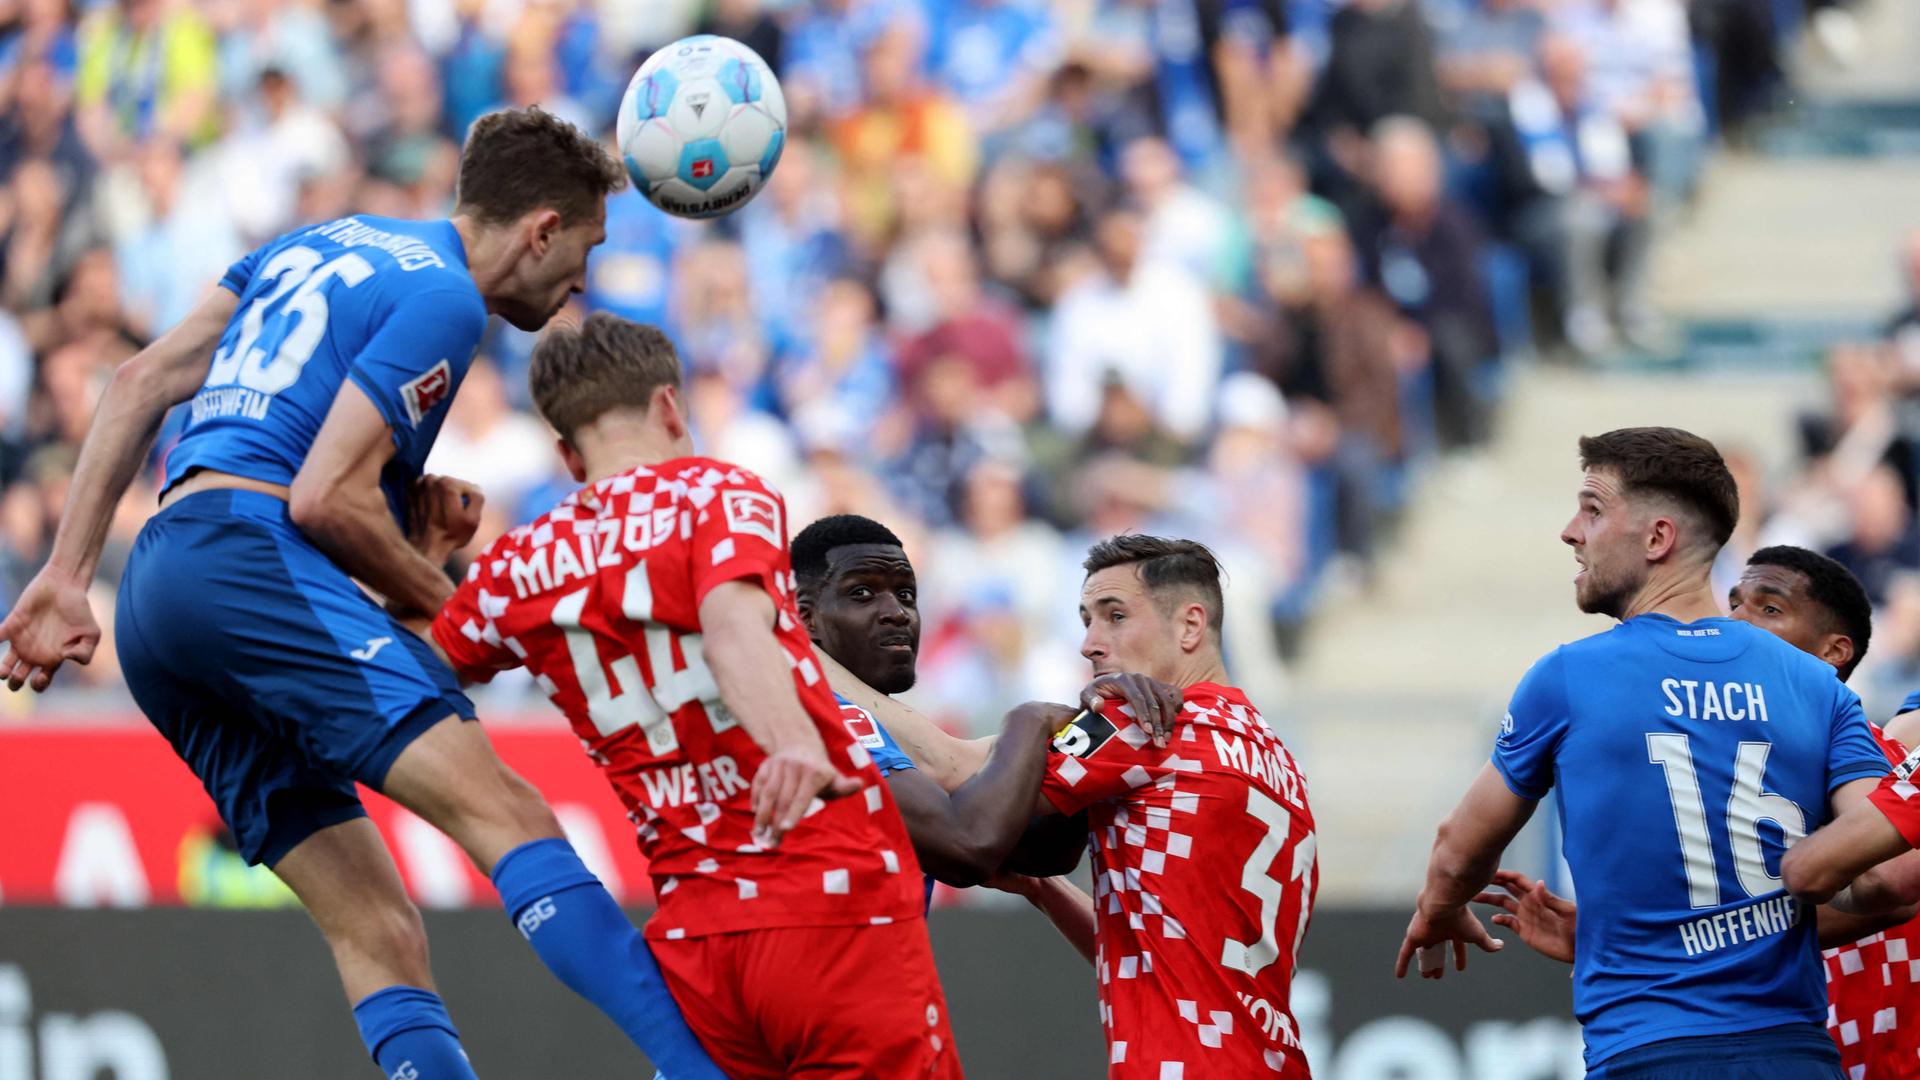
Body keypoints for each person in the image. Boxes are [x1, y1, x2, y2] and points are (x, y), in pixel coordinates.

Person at [0, 108, 720, 1080]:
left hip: (158, 592)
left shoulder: (313, 244)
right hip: (246, 563)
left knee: (378, 925)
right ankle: (702, 1071)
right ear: (542, 229)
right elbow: (322, 499)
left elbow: (136, 381)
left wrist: (63, 574)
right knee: (510, 813)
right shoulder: (447, 297)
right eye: (585, 250)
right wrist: (457, 604)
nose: (581, 282)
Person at [428, 314, 961, 1079]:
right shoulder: (719, 493)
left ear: (567, 454)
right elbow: (732, 625)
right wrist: (791, 742)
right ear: (671, 407)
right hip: (827, 897)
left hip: (697, 943)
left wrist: (421, 555)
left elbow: (418, 672)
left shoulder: (515, 567)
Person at [1397, 427, 1893, 1080]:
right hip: (1794, 1056)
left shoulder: (1570, 676)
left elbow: (1458, 852)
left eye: (1593, 510)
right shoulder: (1818, 687)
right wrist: (1759, 920)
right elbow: (1889, 879)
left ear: (1658, 538)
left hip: (1648, 1052)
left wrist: (1439, 908)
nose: (1570, 531)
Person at [849, 535, 1316, 1077]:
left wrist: (805, 666)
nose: (1090, 644)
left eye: (1115, 616)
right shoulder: (1279, 759)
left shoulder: (1148, 721)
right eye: (1086, 620)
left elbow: (950, 769)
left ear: (1190, 626)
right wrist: (1044, 888)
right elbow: (1163, 959)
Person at [1479, 545, 1920, 1080]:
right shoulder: (1704, 765)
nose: (1736, 622)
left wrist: (1652, 940)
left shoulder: (1875, 767)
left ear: (1833, 652)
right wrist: (1621, 934)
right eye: (1732, 604)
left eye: (1769, 609)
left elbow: (1892, 891)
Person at [790, 512, 1171, 940]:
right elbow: (968, 846)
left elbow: (1039, 851)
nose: (896, 613)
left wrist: (1095, 728)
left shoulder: (873, 723)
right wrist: (1034, 718)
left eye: (907, 594)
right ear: (804, 617)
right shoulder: (816, 716)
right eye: (862, 593)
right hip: (810, 975)